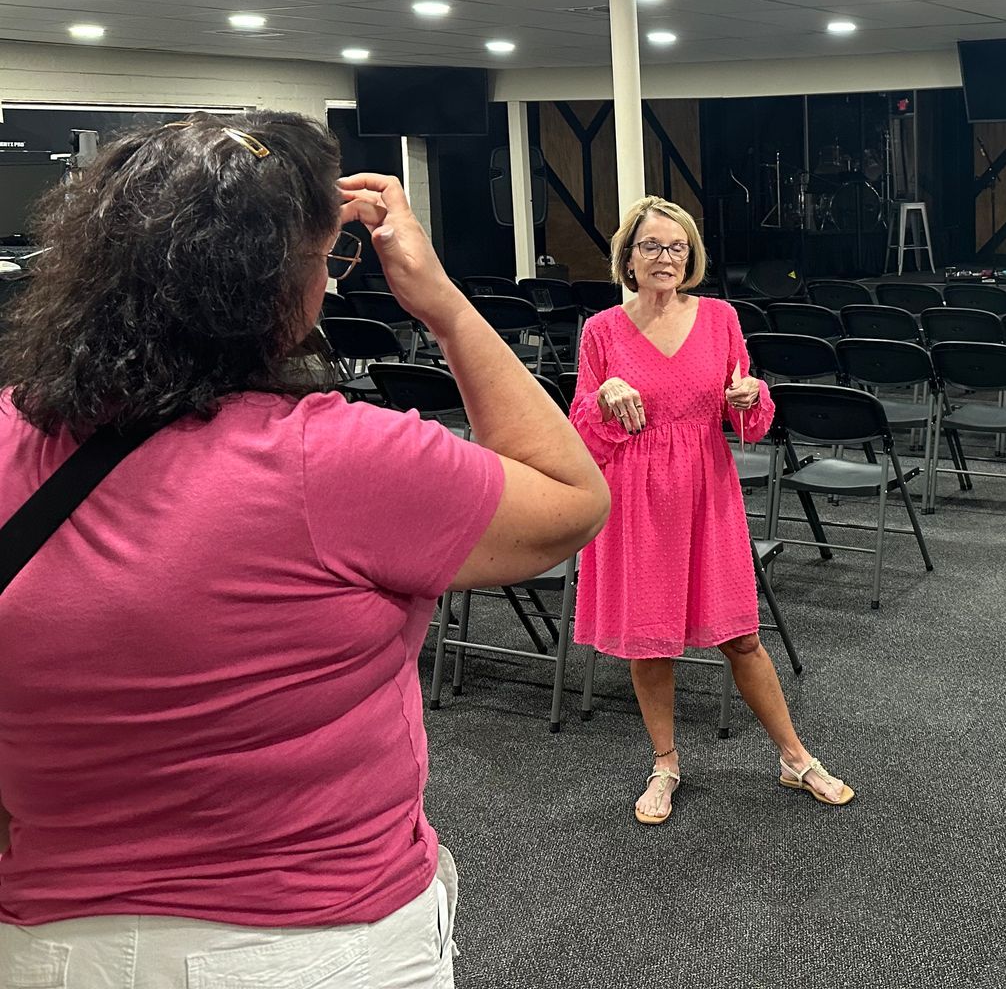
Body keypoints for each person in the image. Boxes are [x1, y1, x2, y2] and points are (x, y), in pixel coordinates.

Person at [0, 114, 608, 986]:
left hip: (46, 946)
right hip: (308, 942)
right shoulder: (341, 458)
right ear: (273, 284)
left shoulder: (8, 434)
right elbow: (572, 500)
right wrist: (439, 300)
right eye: (324, 261)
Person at [570, 195, 853, 825]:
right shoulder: (602, 331)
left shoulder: (721, 318)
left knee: (743, 636)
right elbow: (583, 432)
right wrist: (606, 394)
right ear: (628, 257)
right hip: (635, 497)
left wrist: (753, 394)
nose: (664, 257)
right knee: (651, 644)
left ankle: (794, 756)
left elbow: (746, 419)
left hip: (706, 489)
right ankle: (665, 763)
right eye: (650, 246)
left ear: (690, 256)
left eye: (676, 247)